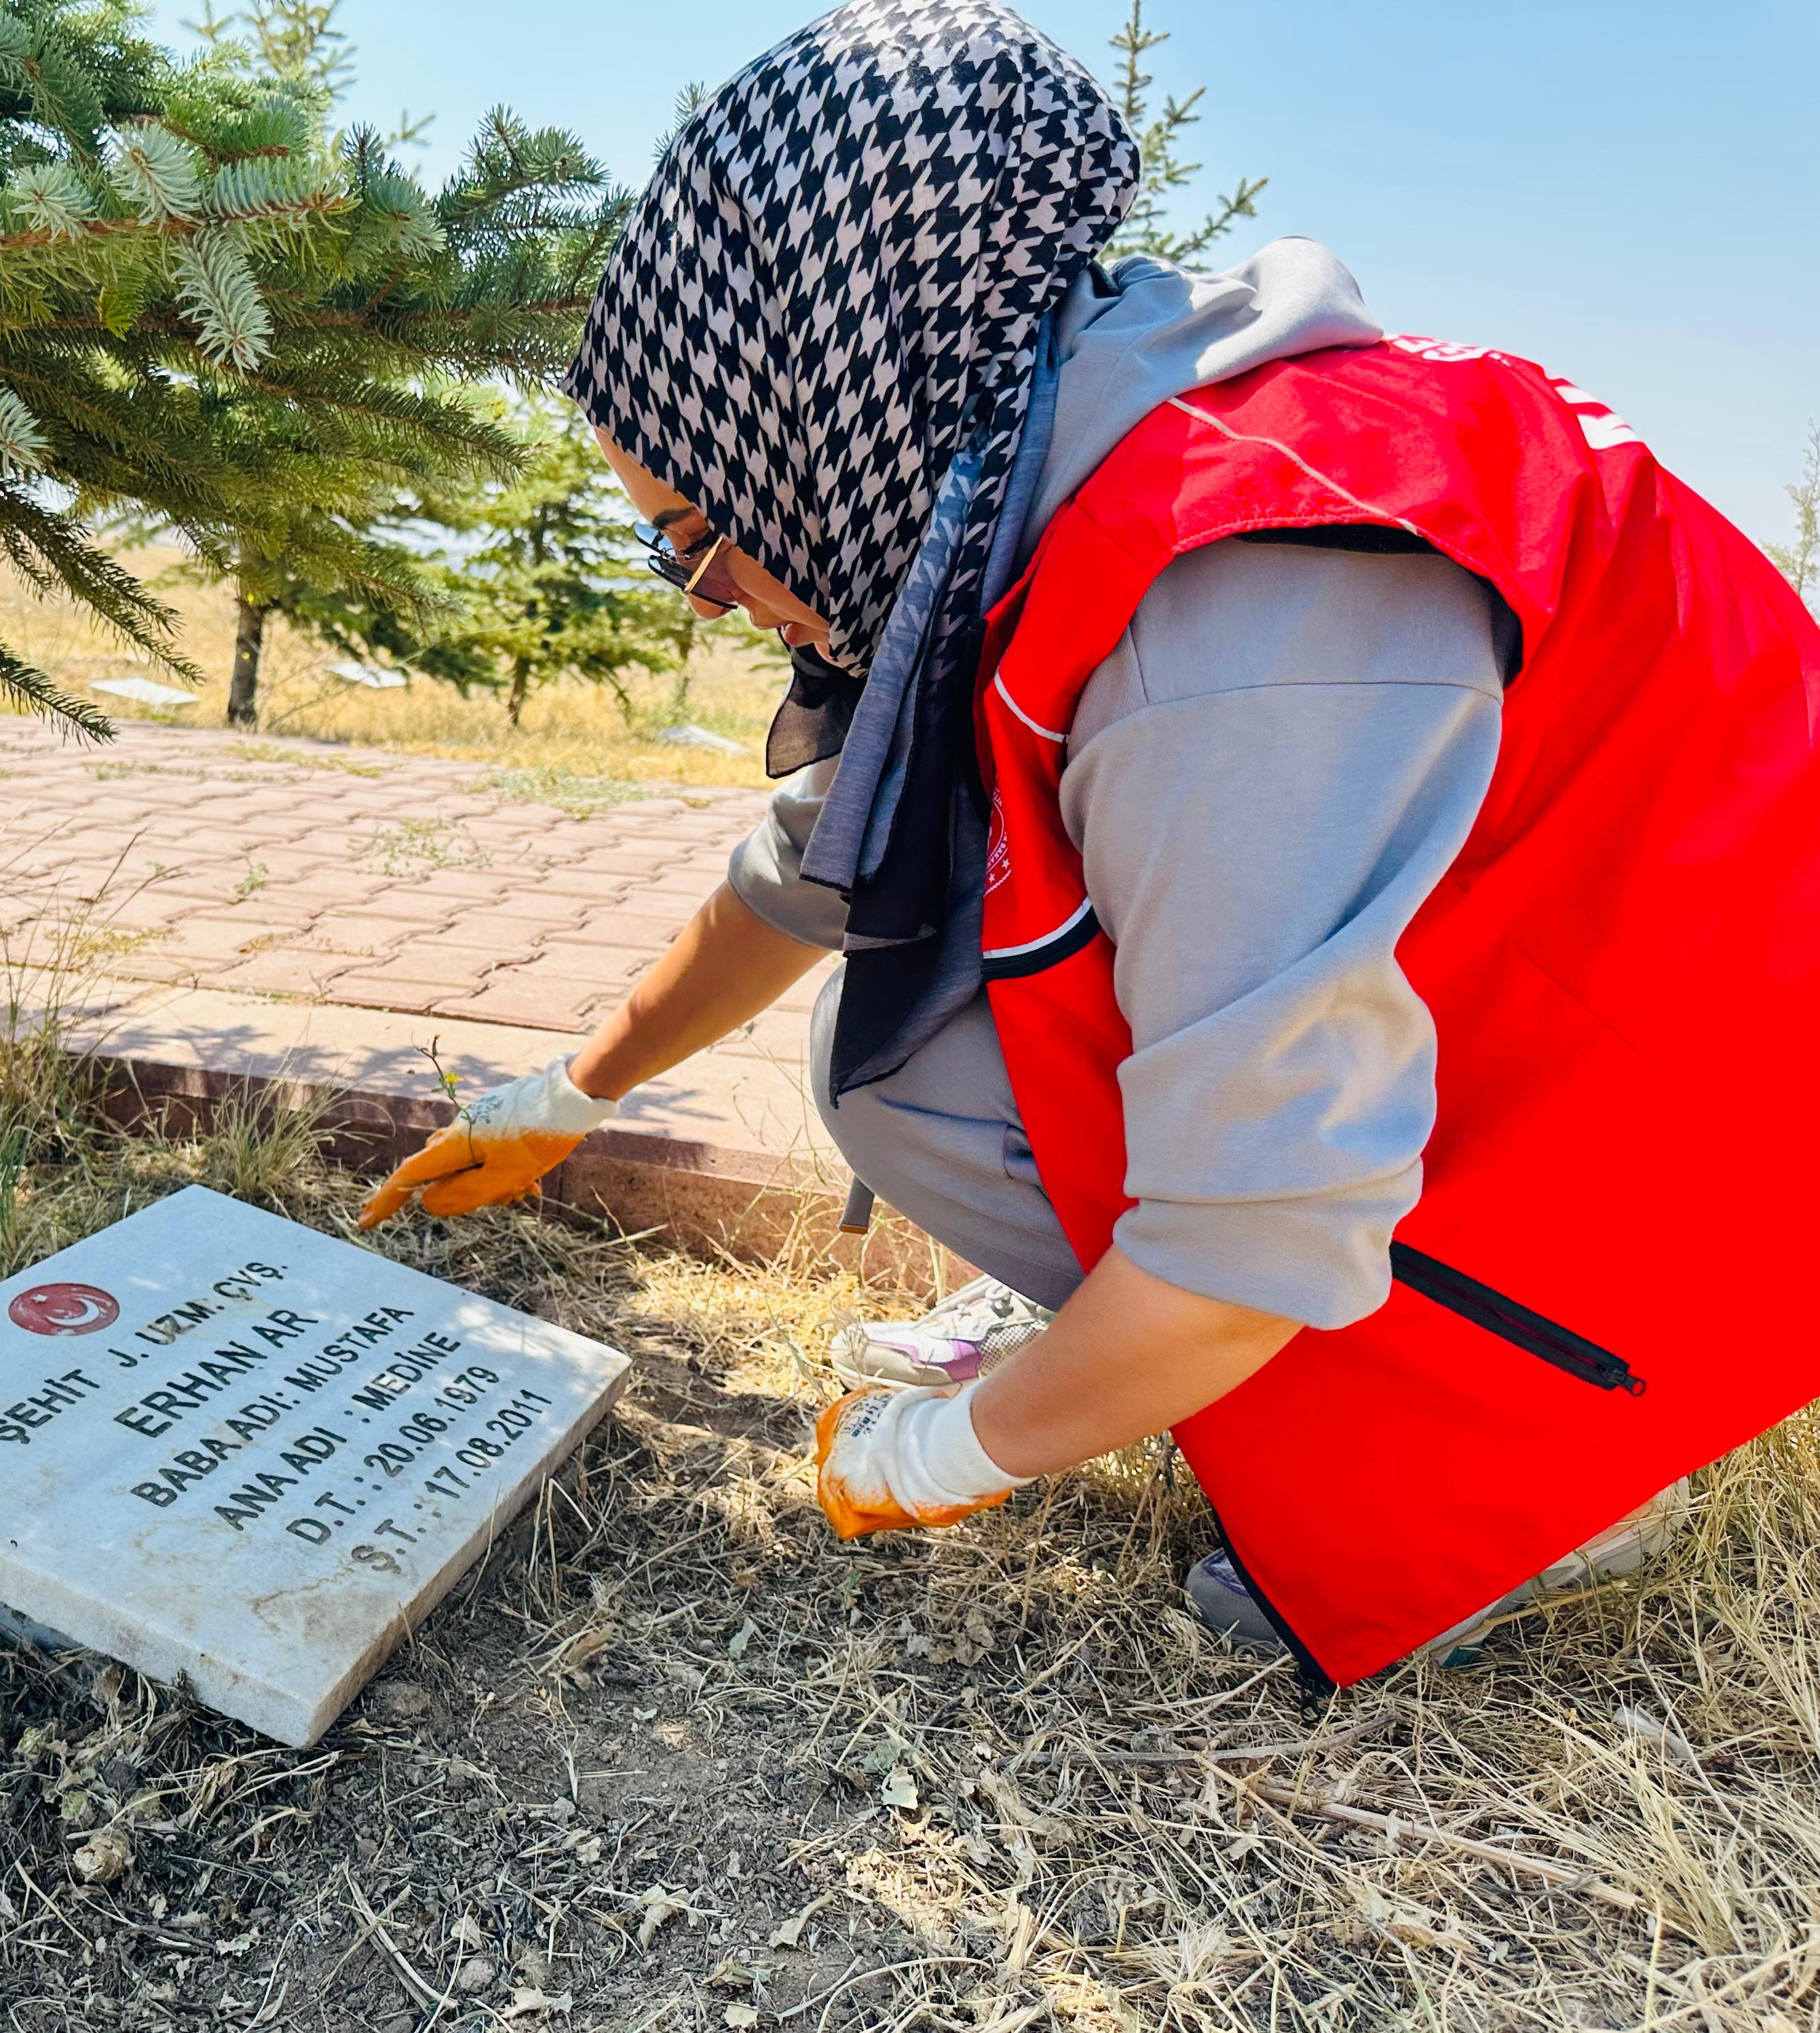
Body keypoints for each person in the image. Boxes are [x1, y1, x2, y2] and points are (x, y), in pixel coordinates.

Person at [358, 0, 1820, 1686]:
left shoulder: (1236, 597)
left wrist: (959, 1449)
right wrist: (576, 1094)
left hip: (1705, 1136)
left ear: (821, 397)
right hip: (1560, 1002)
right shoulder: (1037, 451)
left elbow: (1260, 1223)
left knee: (950, 1075)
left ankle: (1551, 1473)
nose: (721, 597)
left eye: (699, 536)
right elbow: (826, 853)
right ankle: (1204, 1357)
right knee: (910, 1033)